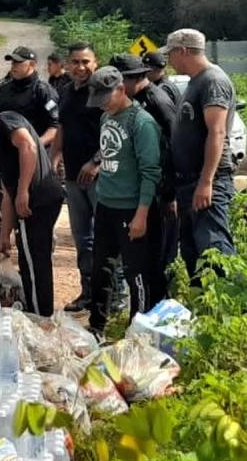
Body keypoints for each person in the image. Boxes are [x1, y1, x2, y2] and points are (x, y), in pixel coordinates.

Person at [0, 102, 65, 316]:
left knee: (35, 262)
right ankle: (36, 308)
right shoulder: (0, 142)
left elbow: (29, 146)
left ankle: (40, 316)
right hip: (35, 200)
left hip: (37, 200)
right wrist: (4, 235)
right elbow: (7, 196)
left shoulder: (4, 120)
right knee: (29, 259)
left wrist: (24, 190)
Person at [85, 66, 162, 334]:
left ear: (120, 89)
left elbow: (150, 172)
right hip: (106, 205)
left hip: (132, 209)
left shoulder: (141, 123)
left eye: (105, 99)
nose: (102, 106)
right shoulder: (108, 118)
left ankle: (137, 330)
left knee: (136, 274)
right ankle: (97, 327)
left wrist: (141, 214)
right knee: (101, 270)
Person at [162, 28, 237, 280]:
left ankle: (225, 308)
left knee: (213, 248)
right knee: (193, 251)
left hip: (207, 180)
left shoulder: (212, 81)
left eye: (170, 54)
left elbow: (216, 132)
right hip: (189, 180)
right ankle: (203, 311)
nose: (169, 61)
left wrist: (206, 182)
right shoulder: (196, 81)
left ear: (183, 50)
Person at [110, 54, 178, 291]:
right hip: (143, 186)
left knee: (154, 256)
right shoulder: (135, 99)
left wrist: (169, 194)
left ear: (132, 78)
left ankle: (155, 305)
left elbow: (172, 148)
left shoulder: (156, 101)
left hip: (159, 188)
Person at [50, 42, 102, 312]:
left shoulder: (103, 91)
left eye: (85, 62)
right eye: (75, 62)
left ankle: (111, 298)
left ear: (96, 62)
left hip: (100, 177)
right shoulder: (66, 91)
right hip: (72, 175)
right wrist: (54, 156)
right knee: (82, 238)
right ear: (68, 64)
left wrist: (97, 162)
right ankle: (87, 293)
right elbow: (62, 126)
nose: (80, 67)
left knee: (105, 237)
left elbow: (115, 130)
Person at [0, 46, 59, 148]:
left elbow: (55, 127)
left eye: (18, 62)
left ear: (32, 64)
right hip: (6, 153)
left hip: (34, 154)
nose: (13, 66)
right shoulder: (3, 89)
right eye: (12, 62)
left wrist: (34, 146)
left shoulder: (44, 91)